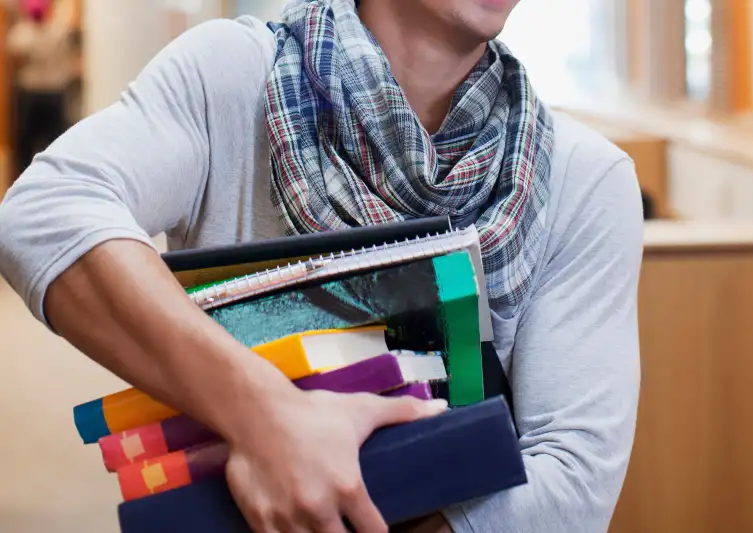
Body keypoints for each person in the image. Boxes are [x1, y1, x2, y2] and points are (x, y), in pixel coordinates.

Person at [0, 0, 643, 531]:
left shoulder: (585, 179)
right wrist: (265, 417)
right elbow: (45, 212)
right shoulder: (233, 76)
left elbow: (573, 482)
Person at [5, 0, 77, 176]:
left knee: (26, 143)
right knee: (54, 141)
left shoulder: (22, 33)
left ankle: (23, 179)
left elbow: (11, 51)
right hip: (54, 94)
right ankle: (54, 178)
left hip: (31, 95)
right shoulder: (60, 31)